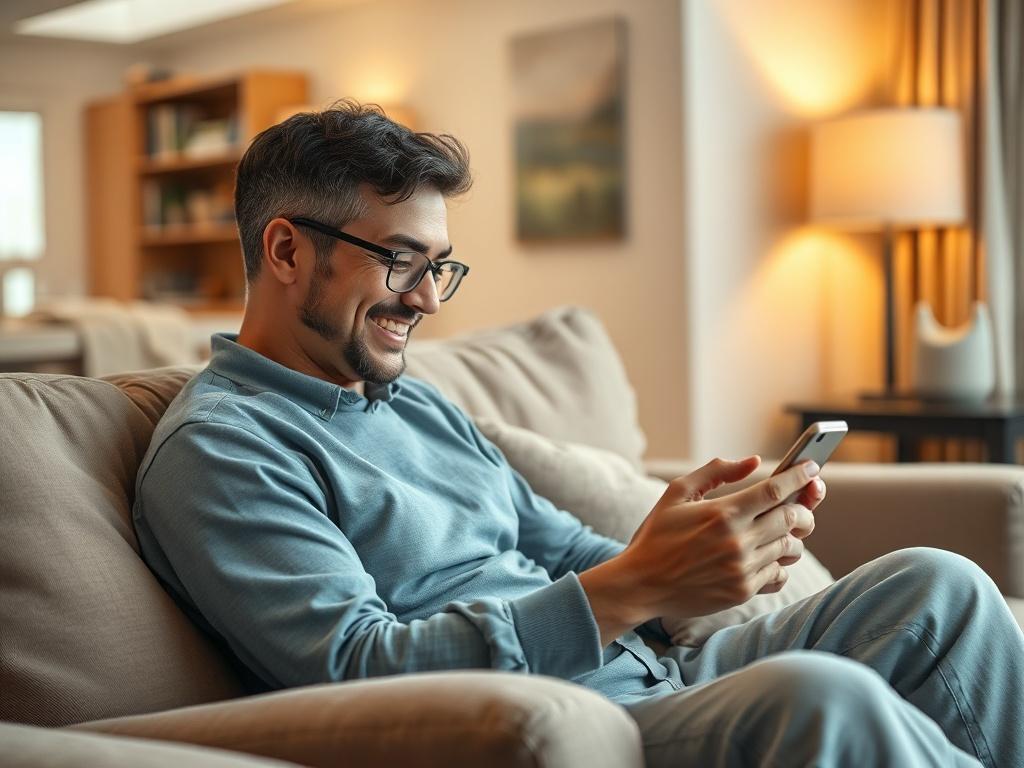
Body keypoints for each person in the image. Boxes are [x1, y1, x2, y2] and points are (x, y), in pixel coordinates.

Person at [133, 101, 1023, 767]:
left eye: (439, 266)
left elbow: (564, 548)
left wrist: (692, 552)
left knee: (938, 586)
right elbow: (354, 666)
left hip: (655, 672)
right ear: (287, 252)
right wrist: (631, 588)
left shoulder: (411, 401)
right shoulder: (224, 448)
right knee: (822, 697)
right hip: (565, 723)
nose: (430, 299)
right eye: (401, 260)